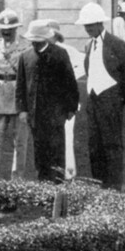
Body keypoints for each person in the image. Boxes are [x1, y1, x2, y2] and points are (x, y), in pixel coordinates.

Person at [76, 2, 125, 191]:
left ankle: (114, 190)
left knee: (112, 145)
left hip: (110, 100)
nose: (87, 29)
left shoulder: (116, 44)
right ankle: (99, 186)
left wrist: (119, 98)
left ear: (99, 23)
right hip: (93, 101)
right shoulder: (90, 45)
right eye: (85, 26)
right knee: (95, 145)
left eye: (90, 25)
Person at [15, 20, 80, 183]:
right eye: (33, 40)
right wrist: (22, 110)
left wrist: (70, 108)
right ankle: (42, 183)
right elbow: (21, 85)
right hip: (35, 114)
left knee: (57, 150)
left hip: (56, 113)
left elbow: (70, 82)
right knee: (39, 150)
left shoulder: (59, 54)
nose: (35, 43)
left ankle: (58, 184)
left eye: (38, 40)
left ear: (45, 39)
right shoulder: (26, 56)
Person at [0, 8, 32, 181]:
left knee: (20, 142)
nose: (6, 33)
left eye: (9, 30)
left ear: (16, 29)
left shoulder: (26, 45)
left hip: (18, 97)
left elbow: (28, 76)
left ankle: (18, 179)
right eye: (3, 30)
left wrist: (26, 102)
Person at [46, 19, 86, 179]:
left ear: (56, 36)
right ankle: (50, 173)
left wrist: (71, 78)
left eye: (50, 35)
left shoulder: (67, 51)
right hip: (48, 103)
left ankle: (68, 173)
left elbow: (84, 64)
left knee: (67, 136)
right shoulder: (41, 51)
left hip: (66, 102)